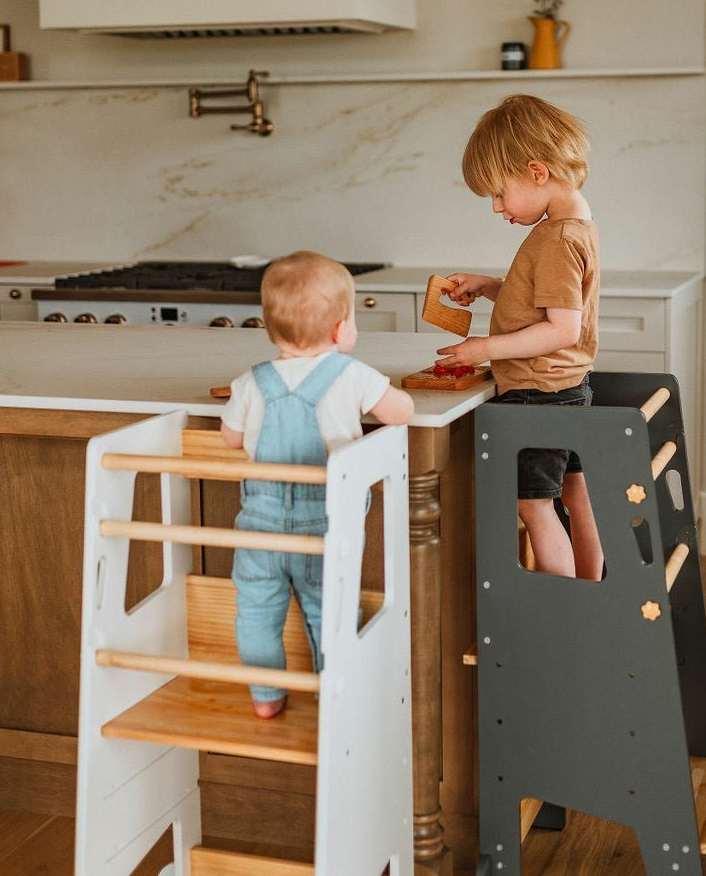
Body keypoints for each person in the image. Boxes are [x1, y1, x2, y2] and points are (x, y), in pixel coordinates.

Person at [220, 250, 414, 717]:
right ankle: (337, 696)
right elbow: (401, 413)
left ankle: (266, 697)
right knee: (330, 611)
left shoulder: (251, 381)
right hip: (324, 525)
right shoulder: (352, 376)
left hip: (259, 527)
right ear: (340, 329)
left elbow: (230, 438)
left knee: (256, 615)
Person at [437, 93, 604, 581]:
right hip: (568, 389)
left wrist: (482, 349)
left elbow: (560, 328)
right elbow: (548, 306)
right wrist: (491, 287)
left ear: (536, 172)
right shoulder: (575, 228)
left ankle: (563, 609)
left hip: (537, 396)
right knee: (576, 496)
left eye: (498, 193)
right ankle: (591, 594)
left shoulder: (555, 239)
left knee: (534, 507)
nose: (496, 208)